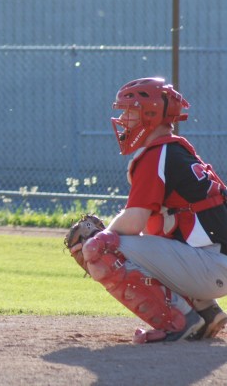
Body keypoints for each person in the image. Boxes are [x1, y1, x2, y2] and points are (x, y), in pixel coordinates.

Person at [73, 77, 227, 343]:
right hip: (213, 263)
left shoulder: (158, 154)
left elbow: (134, 222)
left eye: (129, 112)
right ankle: (206, 312)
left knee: (98, 247)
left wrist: (101, 238)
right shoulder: (177, 151)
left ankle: (179, 321)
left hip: (211, 267)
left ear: (150, 115)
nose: (124, 119)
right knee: (144, 240)